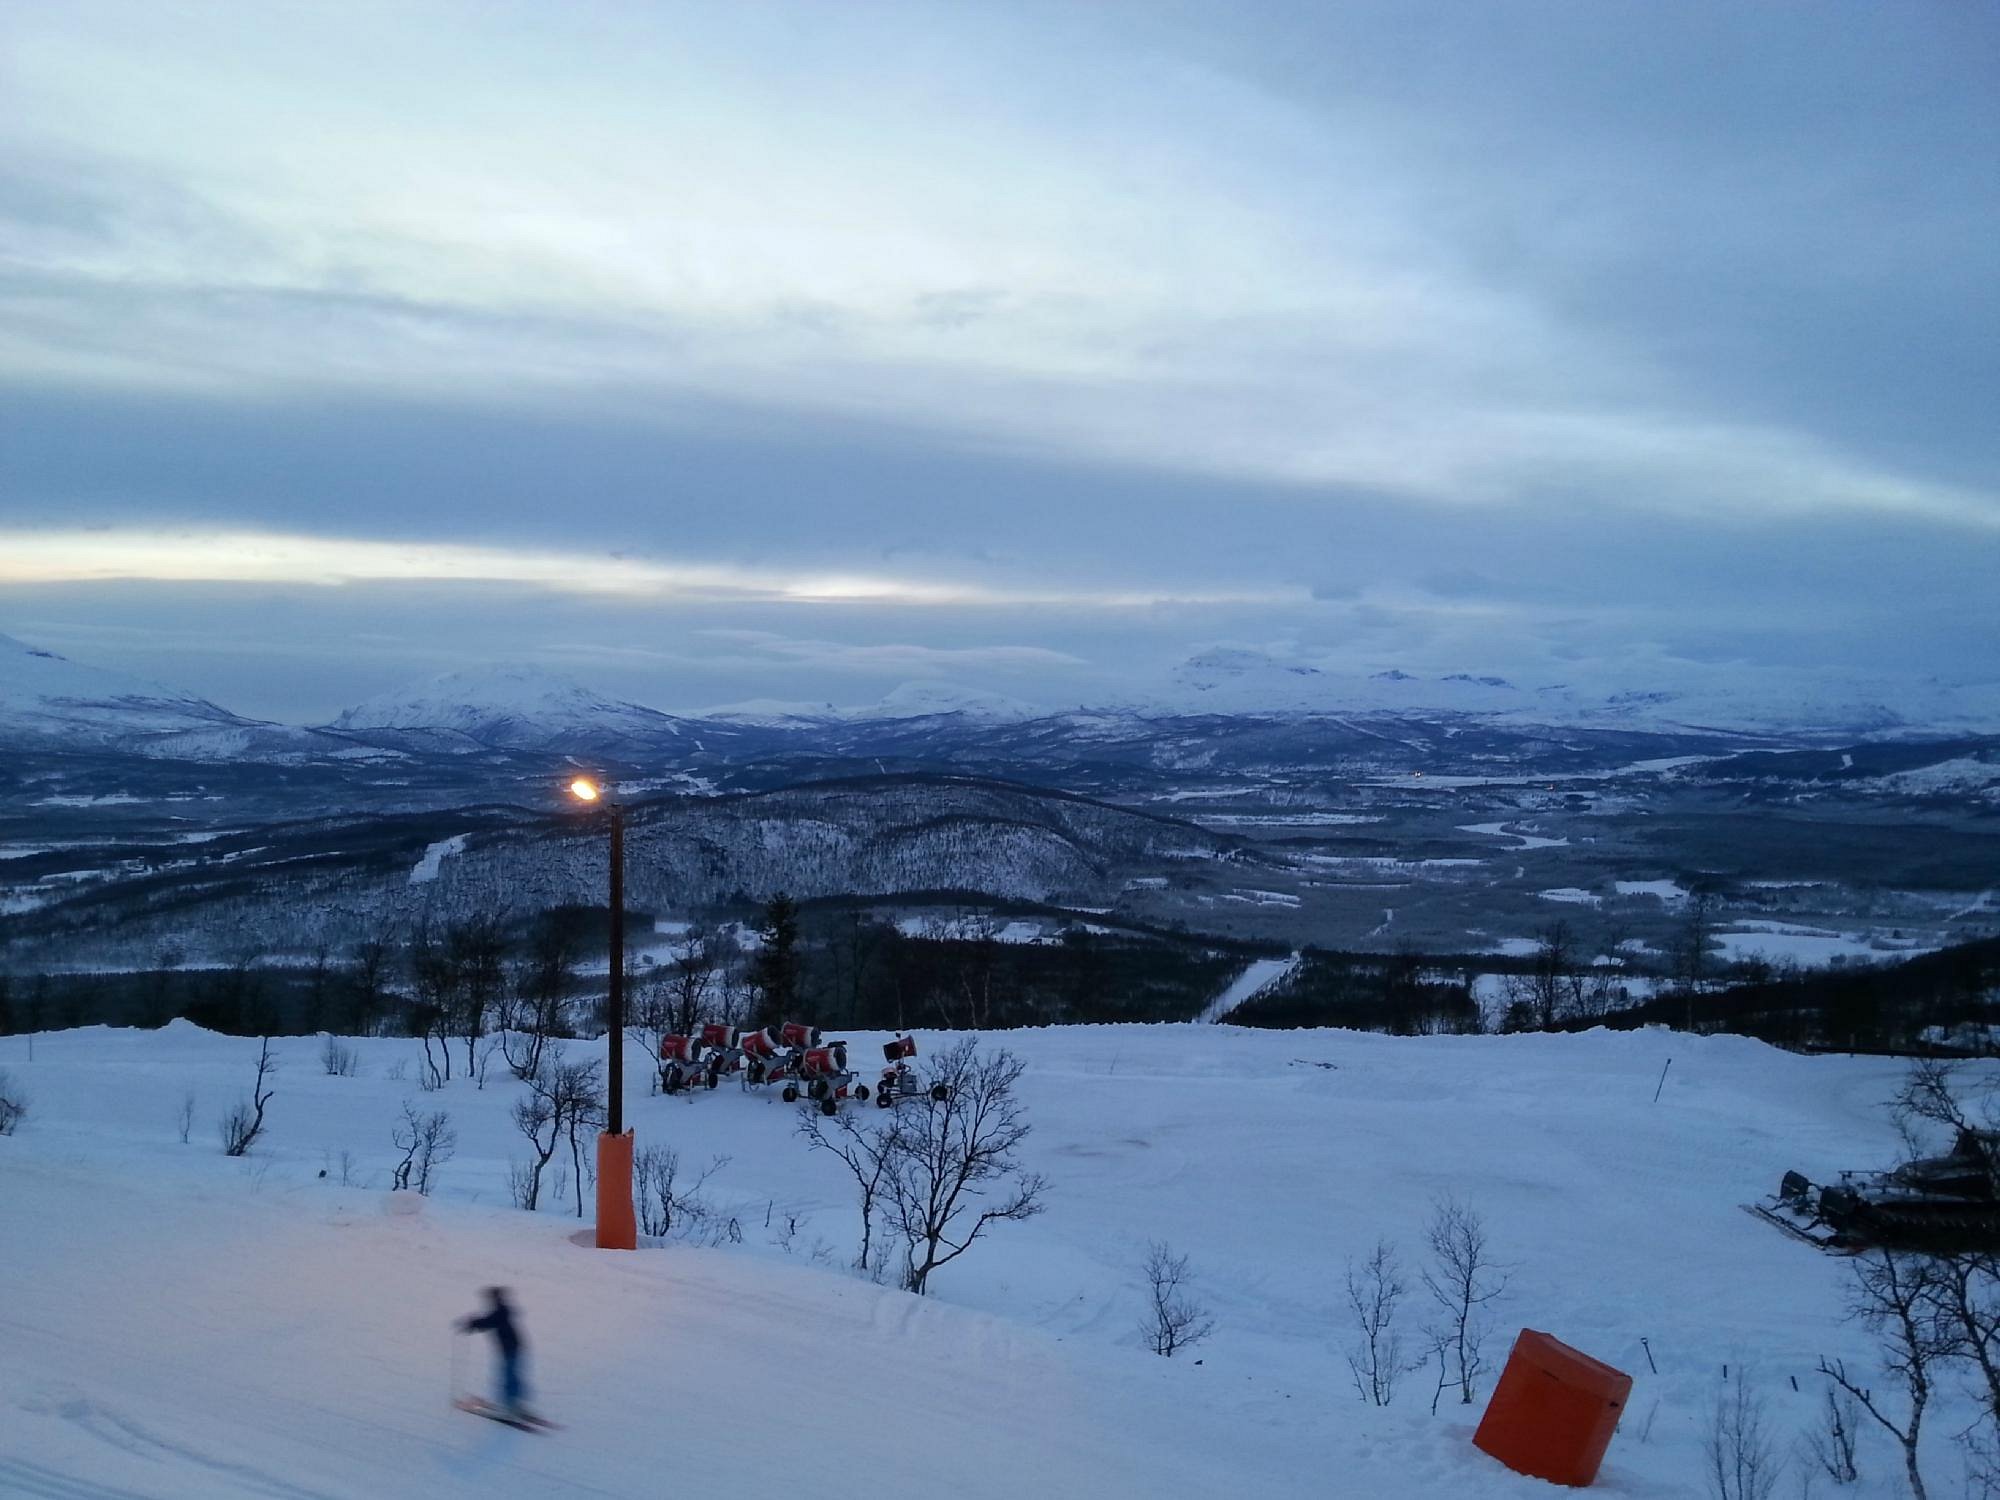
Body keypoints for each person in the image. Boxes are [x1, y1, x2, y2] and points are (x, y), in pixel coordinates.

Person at [458, 1286, 531, 1419]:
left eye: (491, 1298)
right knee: (512, 1376)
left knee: (508, 1377)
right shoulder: (502, 1310)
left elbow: (490, 1321)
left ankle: (510, 1408)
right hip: (513, 1347)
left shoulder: (500, 1312)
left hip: (510, 1348)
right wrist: (473, 1324)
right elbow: (490, 1321)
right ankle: (515, 1405)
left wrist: (472, 1324)